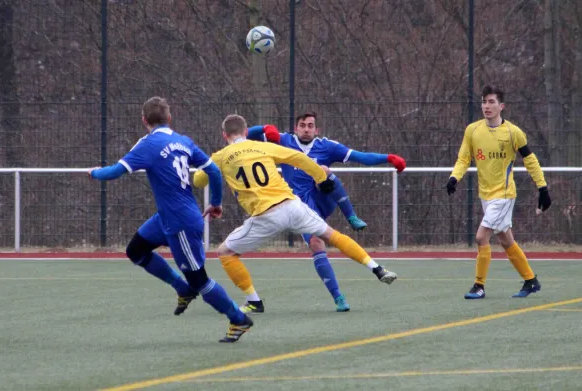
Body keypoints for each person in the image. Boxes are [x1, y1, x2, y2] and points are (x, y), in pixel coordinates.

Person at [193, 114, 397, 314]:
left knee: (225, 252)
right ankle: (376, 268)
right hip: (293, 205)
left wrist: (211, 167)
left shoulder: (219, 156)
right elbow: (297, 157)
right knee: (331, 235)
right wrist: (320, 176)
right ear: (246, 132)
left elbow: (199, 181)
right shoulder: (262, 146)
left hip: (266, 216)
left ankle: (253, 301)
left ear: (224, 135)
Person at [88, 97, 252, 343]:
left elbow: (115, 171)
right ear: (169, 118)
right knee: (136, 250)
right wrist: (216, 202)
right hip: (168, 217)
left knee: (199, 280)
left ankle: (238, 318)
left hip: (181, 223)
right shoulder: (183, 141)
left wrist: (94, 173)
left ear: (144, 120)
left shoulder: (148, 144)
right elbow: (214, 171)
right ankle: (181, 288)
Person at [246, 112, 406, 312]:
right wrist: (262, 129)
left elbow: (360, 157)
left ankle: (352, 217)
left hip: (324, 198)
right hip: (301, 208)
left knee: (324, 170)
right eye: (302, 125)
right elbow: (243, 136)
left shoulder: (327, 146)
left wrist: (389, 158)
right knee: (316, 243)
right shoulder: (283, 141)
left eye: (310, 125)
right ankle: (339, 297)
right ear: (296, 128)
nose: (306, 129)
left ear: (316, 129)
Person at [446, 85, 552, 299]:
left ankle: (479, 286)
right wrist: (454, 177)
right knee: (505, 240)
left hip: (504, 196)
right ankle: (531, 281)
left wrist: (543, 188)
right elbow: (464, 158)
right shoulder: (473, 130)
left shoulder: (513, 133)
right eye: (484, 101)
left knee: (480, 236)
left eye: (492, 102)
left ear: (501, 106)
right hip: (485, 195)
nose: (487, 106)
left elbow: (530, 160)